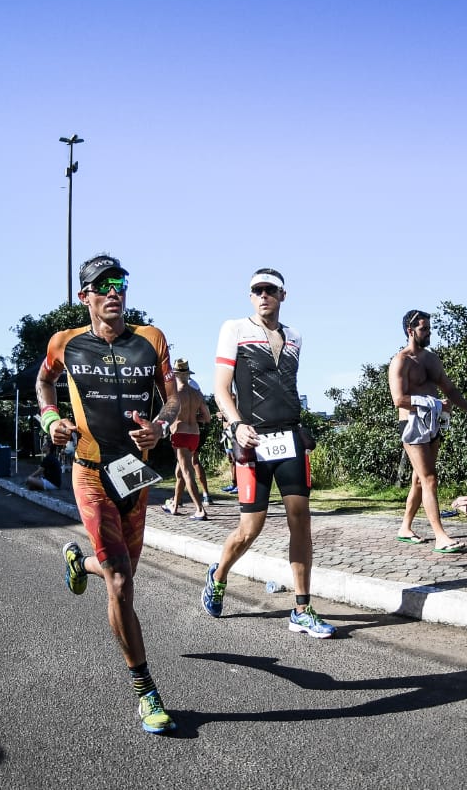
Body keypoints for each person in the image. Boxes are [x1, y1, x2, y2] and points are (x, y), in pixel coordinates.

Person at [37, 253, 181, 734]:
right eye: (103, 285)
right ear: (86, 297)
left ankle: (80, 563)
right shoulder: (65, 343)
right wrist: (52, 419)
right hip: (91, 472)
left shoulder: (150, 339)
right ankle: (146, 690)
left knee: (123, 573)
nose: (114, 291)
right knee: (121, 583)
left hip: (134, 472)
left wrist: (159, 426)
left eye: (120, 282)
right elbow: (43, 381)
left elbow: (174, 397)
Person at [203, 268, 336, 638]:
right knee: (250, 528)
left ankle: (302, 608)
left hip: (290, 438)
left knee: (301, 520)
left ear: (282, 295)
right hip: (253, 440)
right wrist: (235, 424)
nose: (263, 295)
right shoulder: (234, 329)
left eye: (270, 290)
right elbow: (221, 389)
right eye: (256, 290)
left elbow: (285, 388)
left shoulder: (294, 337)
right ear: (250, 297)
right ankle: (218, 575)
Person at [389, 309, 467, 552]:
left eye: (429, 328)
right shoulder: (401, 361)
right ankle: (441, 536)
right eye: (423, 329)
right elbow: (399, 400)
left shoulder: (431, 359)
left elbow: (448, 388)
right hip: (412, 424)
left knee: (420, 479)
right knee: (430, 478)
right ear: (410, 331)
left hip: (433, 422)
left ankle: (405, 528)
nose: (428, 333)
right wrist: (434, 403)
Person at [165, 358, 213, 519]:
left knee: (186, 472)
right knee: (180, 471)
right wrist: (192, 417)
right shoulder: (197, 394)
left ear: (176, 375)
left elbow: (166, 417)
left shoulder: (175, 395)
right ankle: (175, 505)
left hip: (180, 433)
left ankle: (200, 509)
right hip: (194, 434)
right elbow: (207, 418)